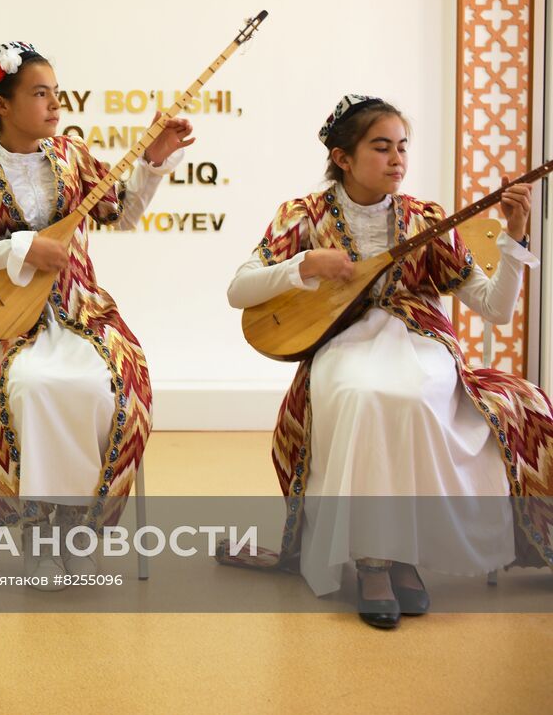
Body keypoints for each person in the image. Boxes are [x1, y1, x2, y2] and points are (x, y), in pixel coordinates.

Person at [224, 94, 553, 628]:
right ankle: (371, 559)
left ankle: (404, 556)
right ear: (343, 157)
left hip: (419, 339)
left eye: (403, 146)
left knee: (414, 395)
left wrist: (514, 236)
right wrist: (304, 265)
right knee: (361, 395)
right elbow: (239, 290)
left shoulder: (426, 218)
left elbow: (494, 308)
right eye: (382, 147)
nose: (398, 158)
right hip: (341, 340)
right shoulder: (302, 215)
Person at [0, 42, 191, 581]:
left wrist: (154, 159)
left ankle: (76, 523)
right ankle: (39, 525)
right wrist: (15, 248)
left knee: (105, 385)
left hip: (84, 312)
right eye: (40, 93)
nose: (55, 104)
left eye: (56, 93)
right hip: (5, 327)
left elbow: (123, 213)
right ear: (1, 104)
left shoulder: (71, 156)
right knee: (32, 386)